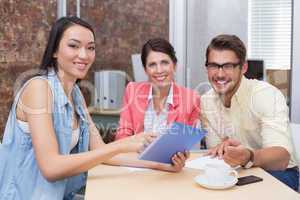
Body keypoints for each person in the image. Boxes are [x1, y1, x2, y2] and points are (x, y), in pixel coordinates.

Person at [0, 17, 188, 200]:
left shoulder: (75, 94)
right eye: (74, 46)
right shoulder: (38, 88)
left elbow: (101, 152)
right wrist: (122, 145)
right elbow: (51, 167)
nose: (84, 55)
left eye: (90, 48)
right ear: (55, 51)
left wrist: (162, 165)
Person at [201, 34, 299, 190]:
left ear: (243, 67)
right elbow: (217, 155)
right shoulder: (206, 102)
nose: (219, 74)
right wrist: (225, 149)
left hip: (279, 172)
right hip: (235, 172)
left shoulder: (266, 95)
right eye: (213, 65)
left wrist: (249, 155)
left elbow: (281, 159)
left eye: (228, 66)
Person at [115, 38, 200, 141]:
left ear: (174, 65)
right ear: (145, 70)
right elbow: (122, 137)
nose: (159, 70)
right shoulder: (132, 90)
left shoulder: (191, 99)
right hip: (135, 156)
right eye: (152, 65)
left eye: (164, 63)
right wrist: (137, 141)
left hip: (170, 157)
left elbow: (189, 143)